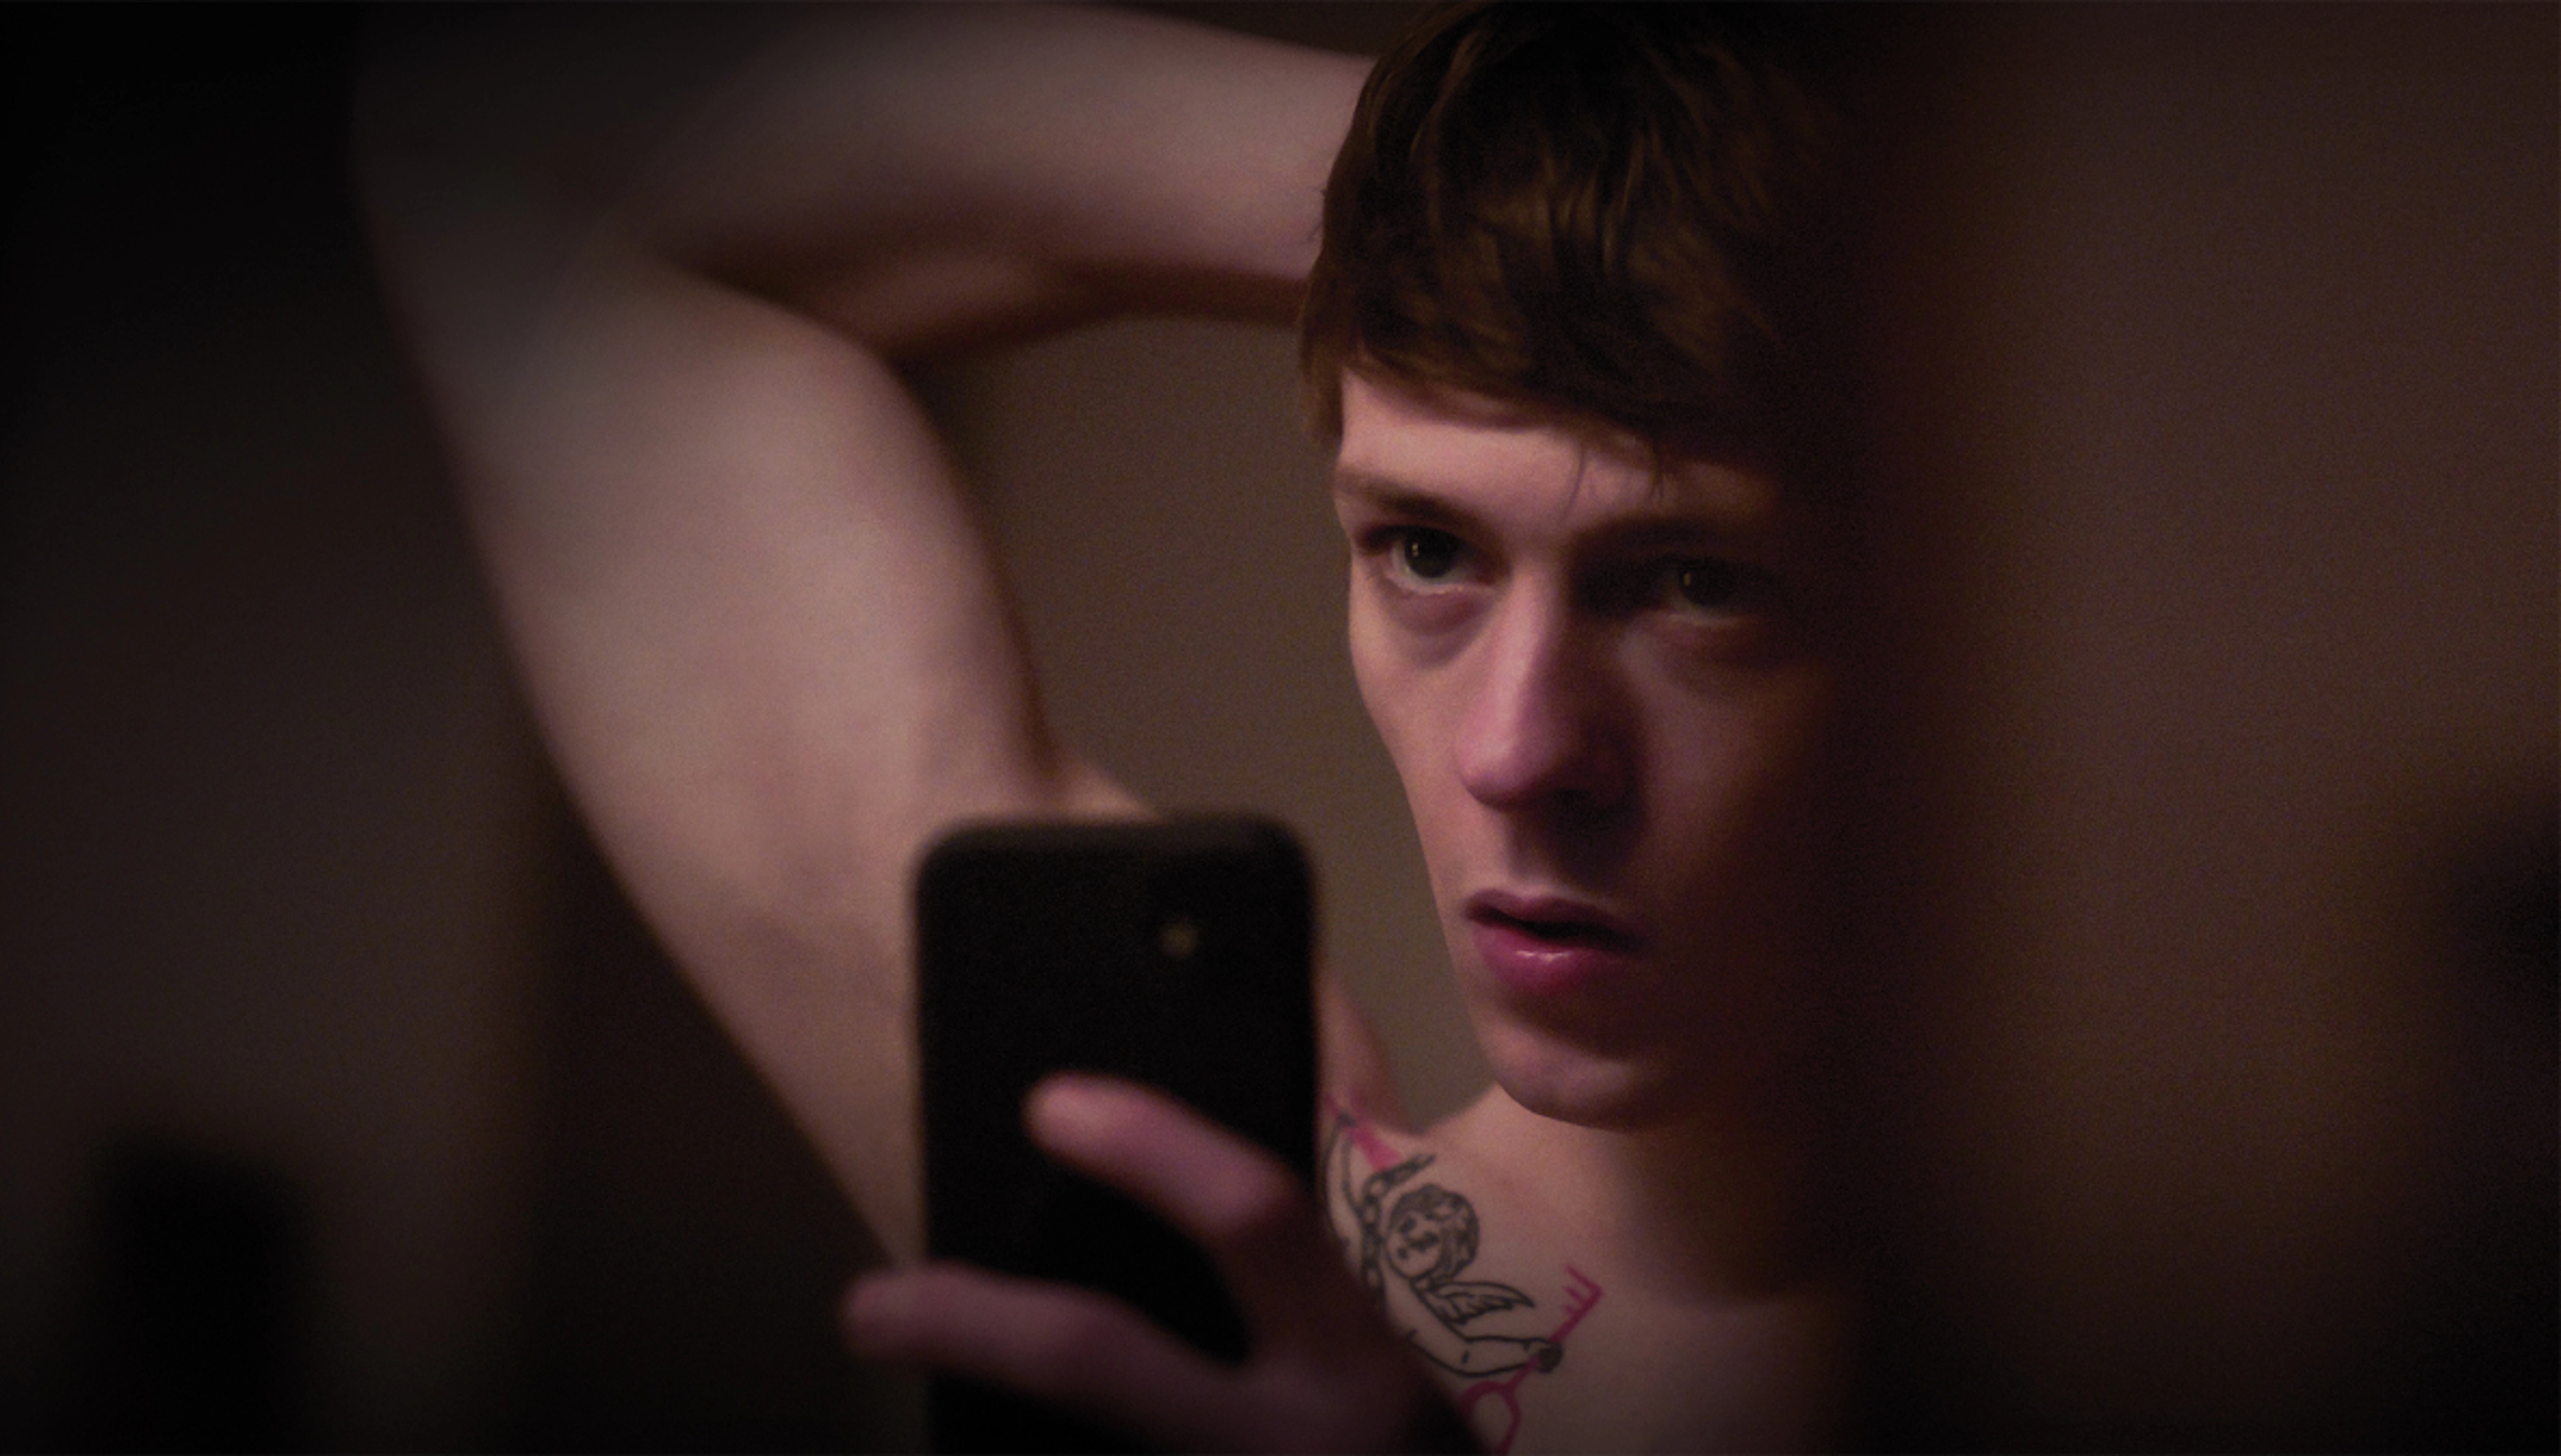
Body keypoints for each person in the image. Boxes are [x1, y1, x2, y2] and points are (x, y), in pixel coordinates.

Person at [360, 3, 1863, 1449]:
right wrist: (1511, 184)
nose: (1516, 753)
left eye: (1697, 585)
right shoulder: (1227, 1246)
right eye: (1426, 551)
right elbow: (504, 149)